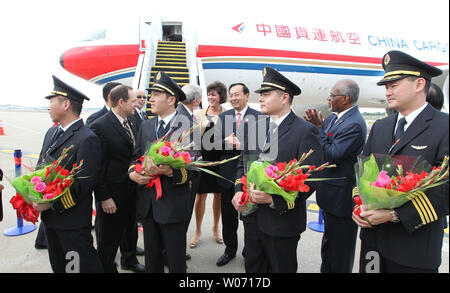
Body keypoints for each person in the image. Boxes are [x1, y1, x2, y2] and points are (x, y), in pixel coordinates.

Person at [352, 50, 449, 273]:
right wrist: (359, 205)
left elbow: (446, 189)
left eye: (394, 85)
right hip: (373, 242)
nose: (387, 91)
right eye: (386, 86)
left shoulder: (444, 127)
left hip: (413, 248)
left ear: (419, 84)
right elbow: (363, 171)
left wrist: (394, 214)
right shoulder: (381, 127)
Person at [232, 67, 324, 273]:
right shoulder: (256, 126)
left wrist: (274, 200)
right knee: (253, 268)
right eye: (261, 95)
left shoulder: (305, 131)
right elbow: (242, 163)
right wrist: (239, 189)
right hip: (252, 218)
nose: (261, 99)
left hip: (282, 222)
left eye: (266, 94)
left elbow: (311, 179)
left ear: (284, 97)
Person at [32, 75, 103, 273]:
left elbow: (82, 184)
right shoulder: (52, 132)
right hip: (51, 220)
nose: (48, 106)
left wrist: (51, 203)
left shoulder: (87, 138)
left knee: (79, 268)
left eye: (51, 101)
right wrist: (33, 192)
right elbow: (41, 167)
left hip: (71, 222)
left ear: (65, 104)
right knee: (59, 267)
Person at [129, 71, 192, 273]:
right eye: (151, 94)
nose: (151, 99)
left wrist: (169, 172)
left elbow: (195, 170)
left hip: (173, 205)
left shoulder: (188, 127)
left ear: (171, 99)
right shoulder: (146, 126)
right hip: (148, 206)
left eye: (156, 94)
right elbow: (135, 157)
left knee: (175, 261)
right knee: (152, 260)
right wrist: (133, 173)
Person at [304, 79, 367, 273]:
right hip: (329, 196)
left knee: (341, 252)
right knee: (328, 248)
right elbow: (321, 147)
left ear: (345, 98)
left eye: (333, 95)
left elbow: (333, 154)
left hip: (342, 200)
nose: (328, 98)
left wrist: (318, 128)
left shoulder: (355, 124)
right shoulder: (333, 118)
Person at [89, 85, 145, 273]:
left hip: (131, 190)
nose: (136, 104)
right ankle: (106, 266)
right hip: (111, 195)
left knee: (130, 229)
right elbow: (97, 166)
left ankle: (129, 260)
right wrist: (104, 197)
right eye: (133, 101)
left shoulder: (132, 122)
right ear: (121, 102)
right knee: (108, 237)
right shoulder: (100, 126)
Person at [213, 83, 261, 266]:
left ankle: (249, 250)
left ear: (247, 96)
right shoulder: (223, 117)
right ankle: (229, 249)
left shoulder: (259, 117)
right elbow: (214, 144)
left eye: (237, 95)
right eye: (231, 95)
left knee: (249, 216)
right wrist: (226, 142)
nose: (233, 98)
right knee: (228, 216)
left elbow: (263, 146)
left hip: (249, 174)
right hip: (227, 173)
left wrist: (243, 145)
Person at [190, 81, 227, 248]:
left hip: (220, 158)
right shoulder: (198, 114)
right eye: (209, 94)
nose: (211, 97)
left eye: (214, 94)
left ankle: (215, 228)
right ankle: (197, 230)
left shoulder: (228, 114)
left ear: (221, 96)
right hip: (203, 158)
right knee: (201, 195)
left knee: (219, 195)